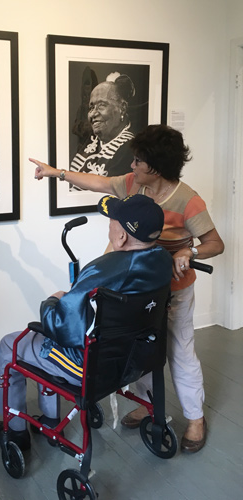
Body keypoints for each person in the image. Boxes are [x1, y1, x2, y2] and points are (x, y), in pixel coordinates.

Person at [30, 124, 225, 453]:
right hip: (131, 288)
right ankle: (149, 404)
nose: (131, 166)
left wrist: (187, 252)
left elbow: (215, 243)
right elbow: (100, 183)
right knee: (139, 347)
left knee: (178, 350)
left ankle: (194, 419)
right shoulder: (136, 184)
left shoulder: (188, 201)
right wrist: (57, 173)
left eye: (137, 161)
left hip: (172, 290)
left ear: (156, 166)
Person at [0, 194, 173, 450]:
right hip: (137, 358)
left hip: (92, 368)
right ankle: (51, 420)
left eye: (112, 220)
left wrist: (52, 301)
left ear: (121, 237)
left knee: (12, 344)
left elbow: (62, 327)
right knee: (39, 343)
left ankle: (15, 430)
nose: (109, 224)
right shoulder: (163, 260)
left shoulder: (103, 270)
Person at [69, 74, 135, 185]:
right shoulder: (91, 140)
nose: (93, 114)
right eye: (91, 107)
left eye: (101, 105)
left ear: (122, 108)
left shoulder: (129, 149)